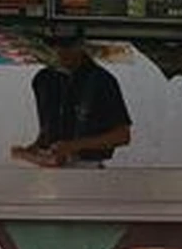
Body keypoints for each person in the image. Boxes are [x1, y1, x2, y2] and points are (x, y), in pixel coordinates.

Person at [11, 25, 132, 168]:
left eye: (68, 46)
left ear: (81, 45)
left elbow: (122, 136)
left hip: (87, 169)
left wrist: (75, 146)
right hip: (50, 169)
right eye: (55, 46)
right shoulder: (43, 79)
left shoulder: (102, 81)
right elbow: (47, 130)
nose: (60, 51)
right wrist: (33, 149)